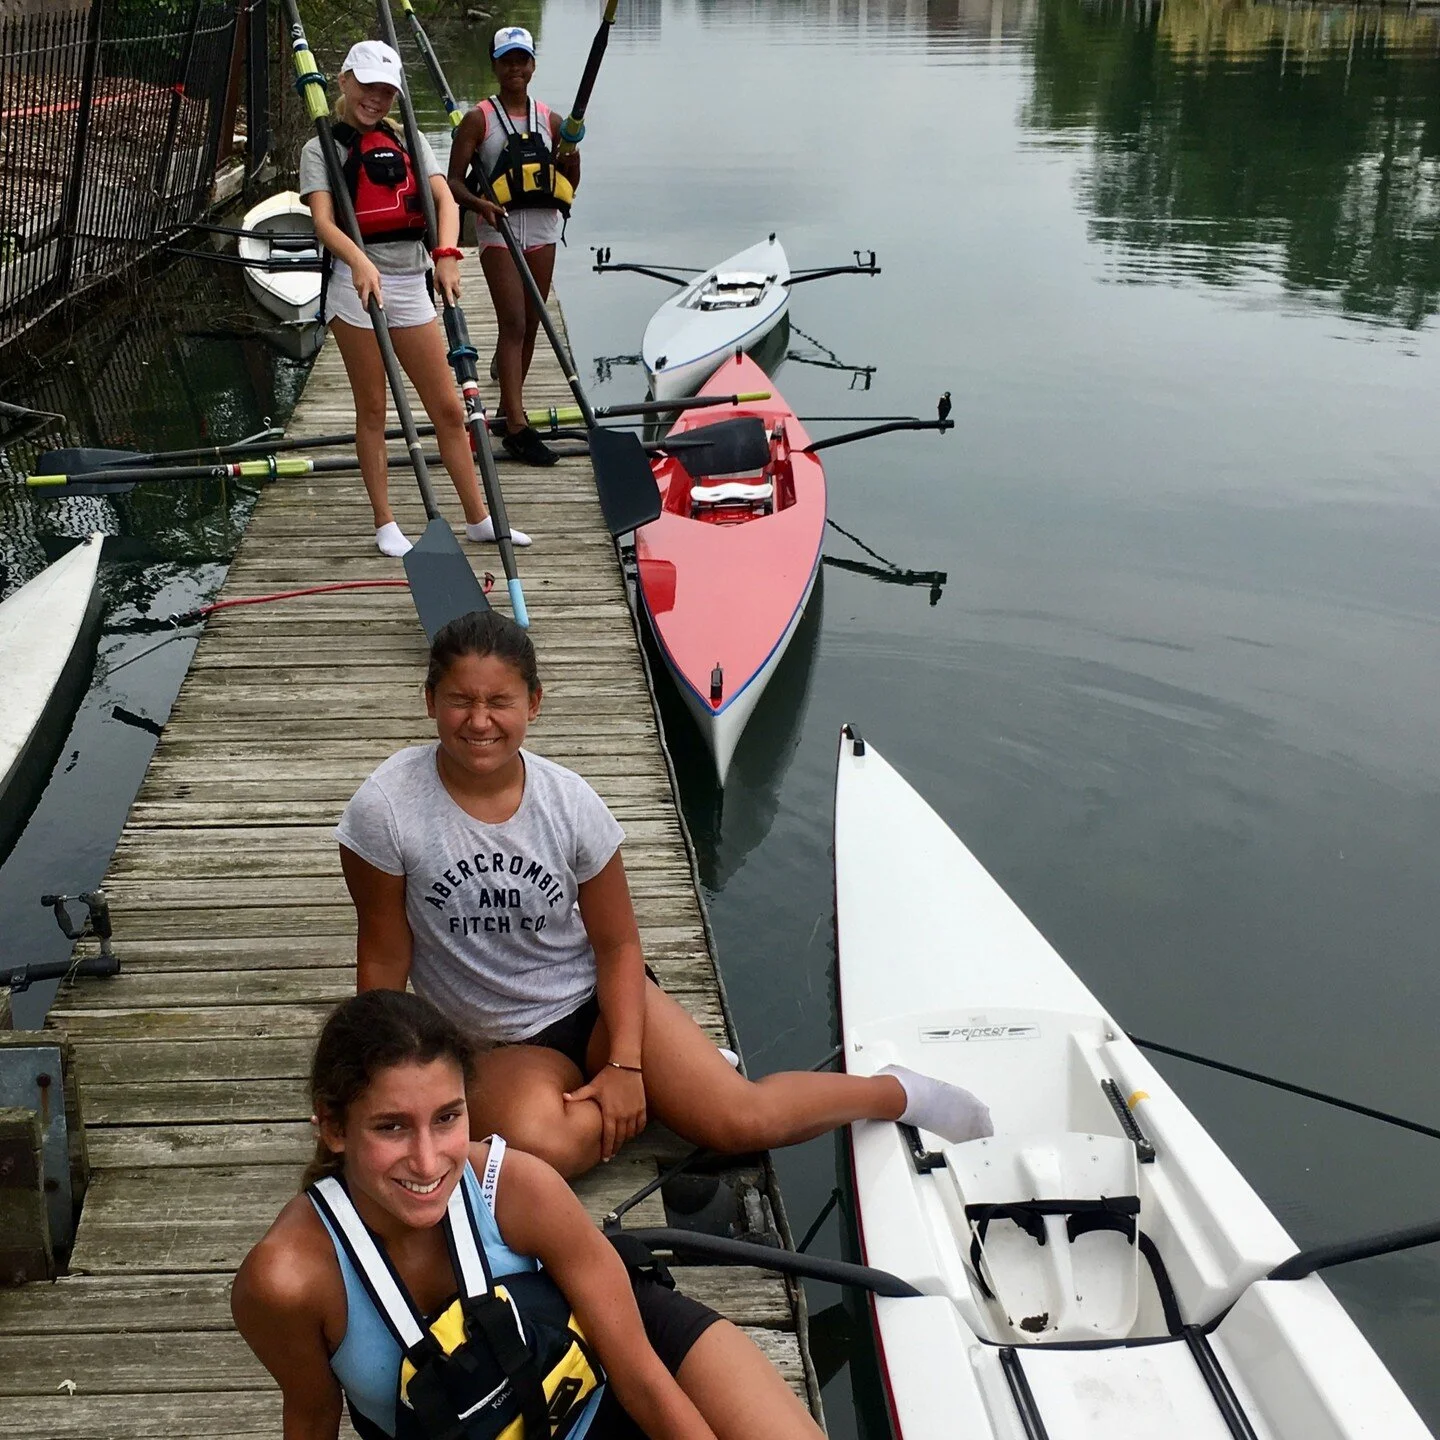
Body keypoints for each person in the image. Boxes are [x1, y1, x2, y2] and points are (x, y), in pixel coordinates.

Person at [335, 608, 994, 1178]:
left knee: (740, 1122)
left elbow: (619, 945)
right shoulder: (388, 810)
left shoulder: (570, 805)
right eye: (460, 700)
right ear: (429, 701)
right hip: (497, 1041)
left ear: (533, 703)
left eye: (499, 702)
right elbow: (385, 958)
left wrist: (623, 1062)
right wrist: (371, 1082)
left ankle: (893, 1093)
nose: (479, 721)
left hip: (594, 1002)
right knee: (531, 1149)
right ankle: (668, 1094)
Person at [233, 990, 825, 1440]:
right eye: (391, 1126)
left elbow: (644, 1380)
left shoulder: (515, 1187)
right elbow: (312, 1415)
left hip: (626, 1361)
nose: (428, 1159)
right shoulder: (288, 1282)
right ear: (334, 1127)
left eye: (447, 1117)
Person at [299, 40, 532, 558]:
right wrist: (359, 262)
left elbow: (445, 198)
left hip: (410, 283)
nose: (375, 99)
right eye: (366, 86)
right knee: (375, 409)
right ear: (344, 82)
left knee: (449, 409)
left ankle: (478, 518)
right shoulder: (321, 147)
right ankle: (385, 523)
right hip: (354, 288)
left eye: (386, 91)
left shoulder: (406, 140)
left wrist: (447, 252)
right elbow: (322, 223)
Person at [446, 26, 579, 468]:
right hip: (497, 231)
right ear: (495, 66)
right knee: (514, 323)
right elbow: (452, 183)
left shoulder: (553, 121)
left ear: (533, 65)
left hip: (542, 230)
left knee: (534, 322)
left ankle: (507, 410)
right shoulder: (478, 119)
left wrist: (572, 155)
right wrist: (480, 204)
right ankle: (518, 430)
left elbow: (569, 183)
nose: (515, 68)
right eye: (507, 61)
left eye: (522, 60)